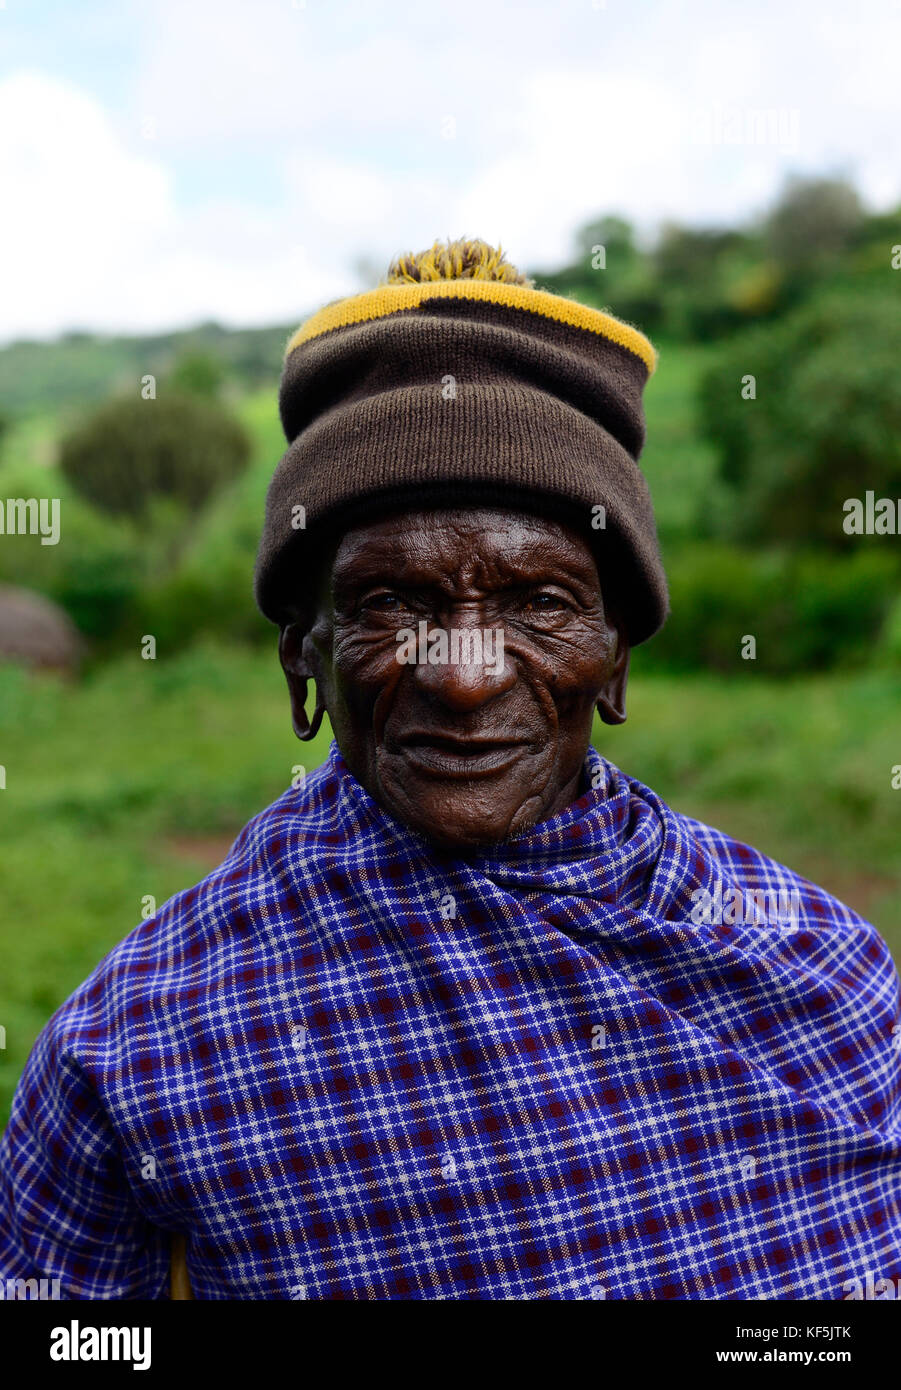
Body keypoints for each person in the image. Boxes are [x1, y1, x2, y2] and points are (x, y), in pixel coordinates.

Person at [2, 239, 899, 1301]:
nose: (466, 677)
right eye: (390, 605)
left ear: (613, 657)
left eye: (540, 604)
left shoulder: (821, 972)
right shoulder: (135, 1045)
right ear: (306, 660)